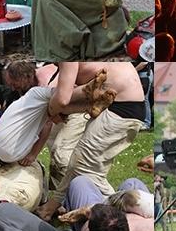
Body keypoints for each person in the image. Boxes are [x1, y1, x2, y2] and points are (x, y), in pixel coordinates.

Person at [0, 72, 114, 187]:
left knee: (47, 110)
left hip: (8, 147)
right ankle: (84, 92)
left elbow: (48, 123)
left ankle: (89, 106)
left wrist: (34, 154)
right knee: (35, 94)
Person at [36, 62, 145, 220]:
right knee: (76, 161)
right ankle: (49, 208)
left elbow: (62, 99)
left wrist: (50, 109)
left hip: (122, 107)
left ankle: (127, 214)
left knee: (87, 168)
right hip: (121, 102)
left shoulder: (67, 56)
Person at [57, 175, 154, 231]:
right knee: (132, 183)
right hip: (131, 207)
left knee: (79, 182)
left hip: (101, 211)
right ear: (127, 226)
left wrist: (86, 211)